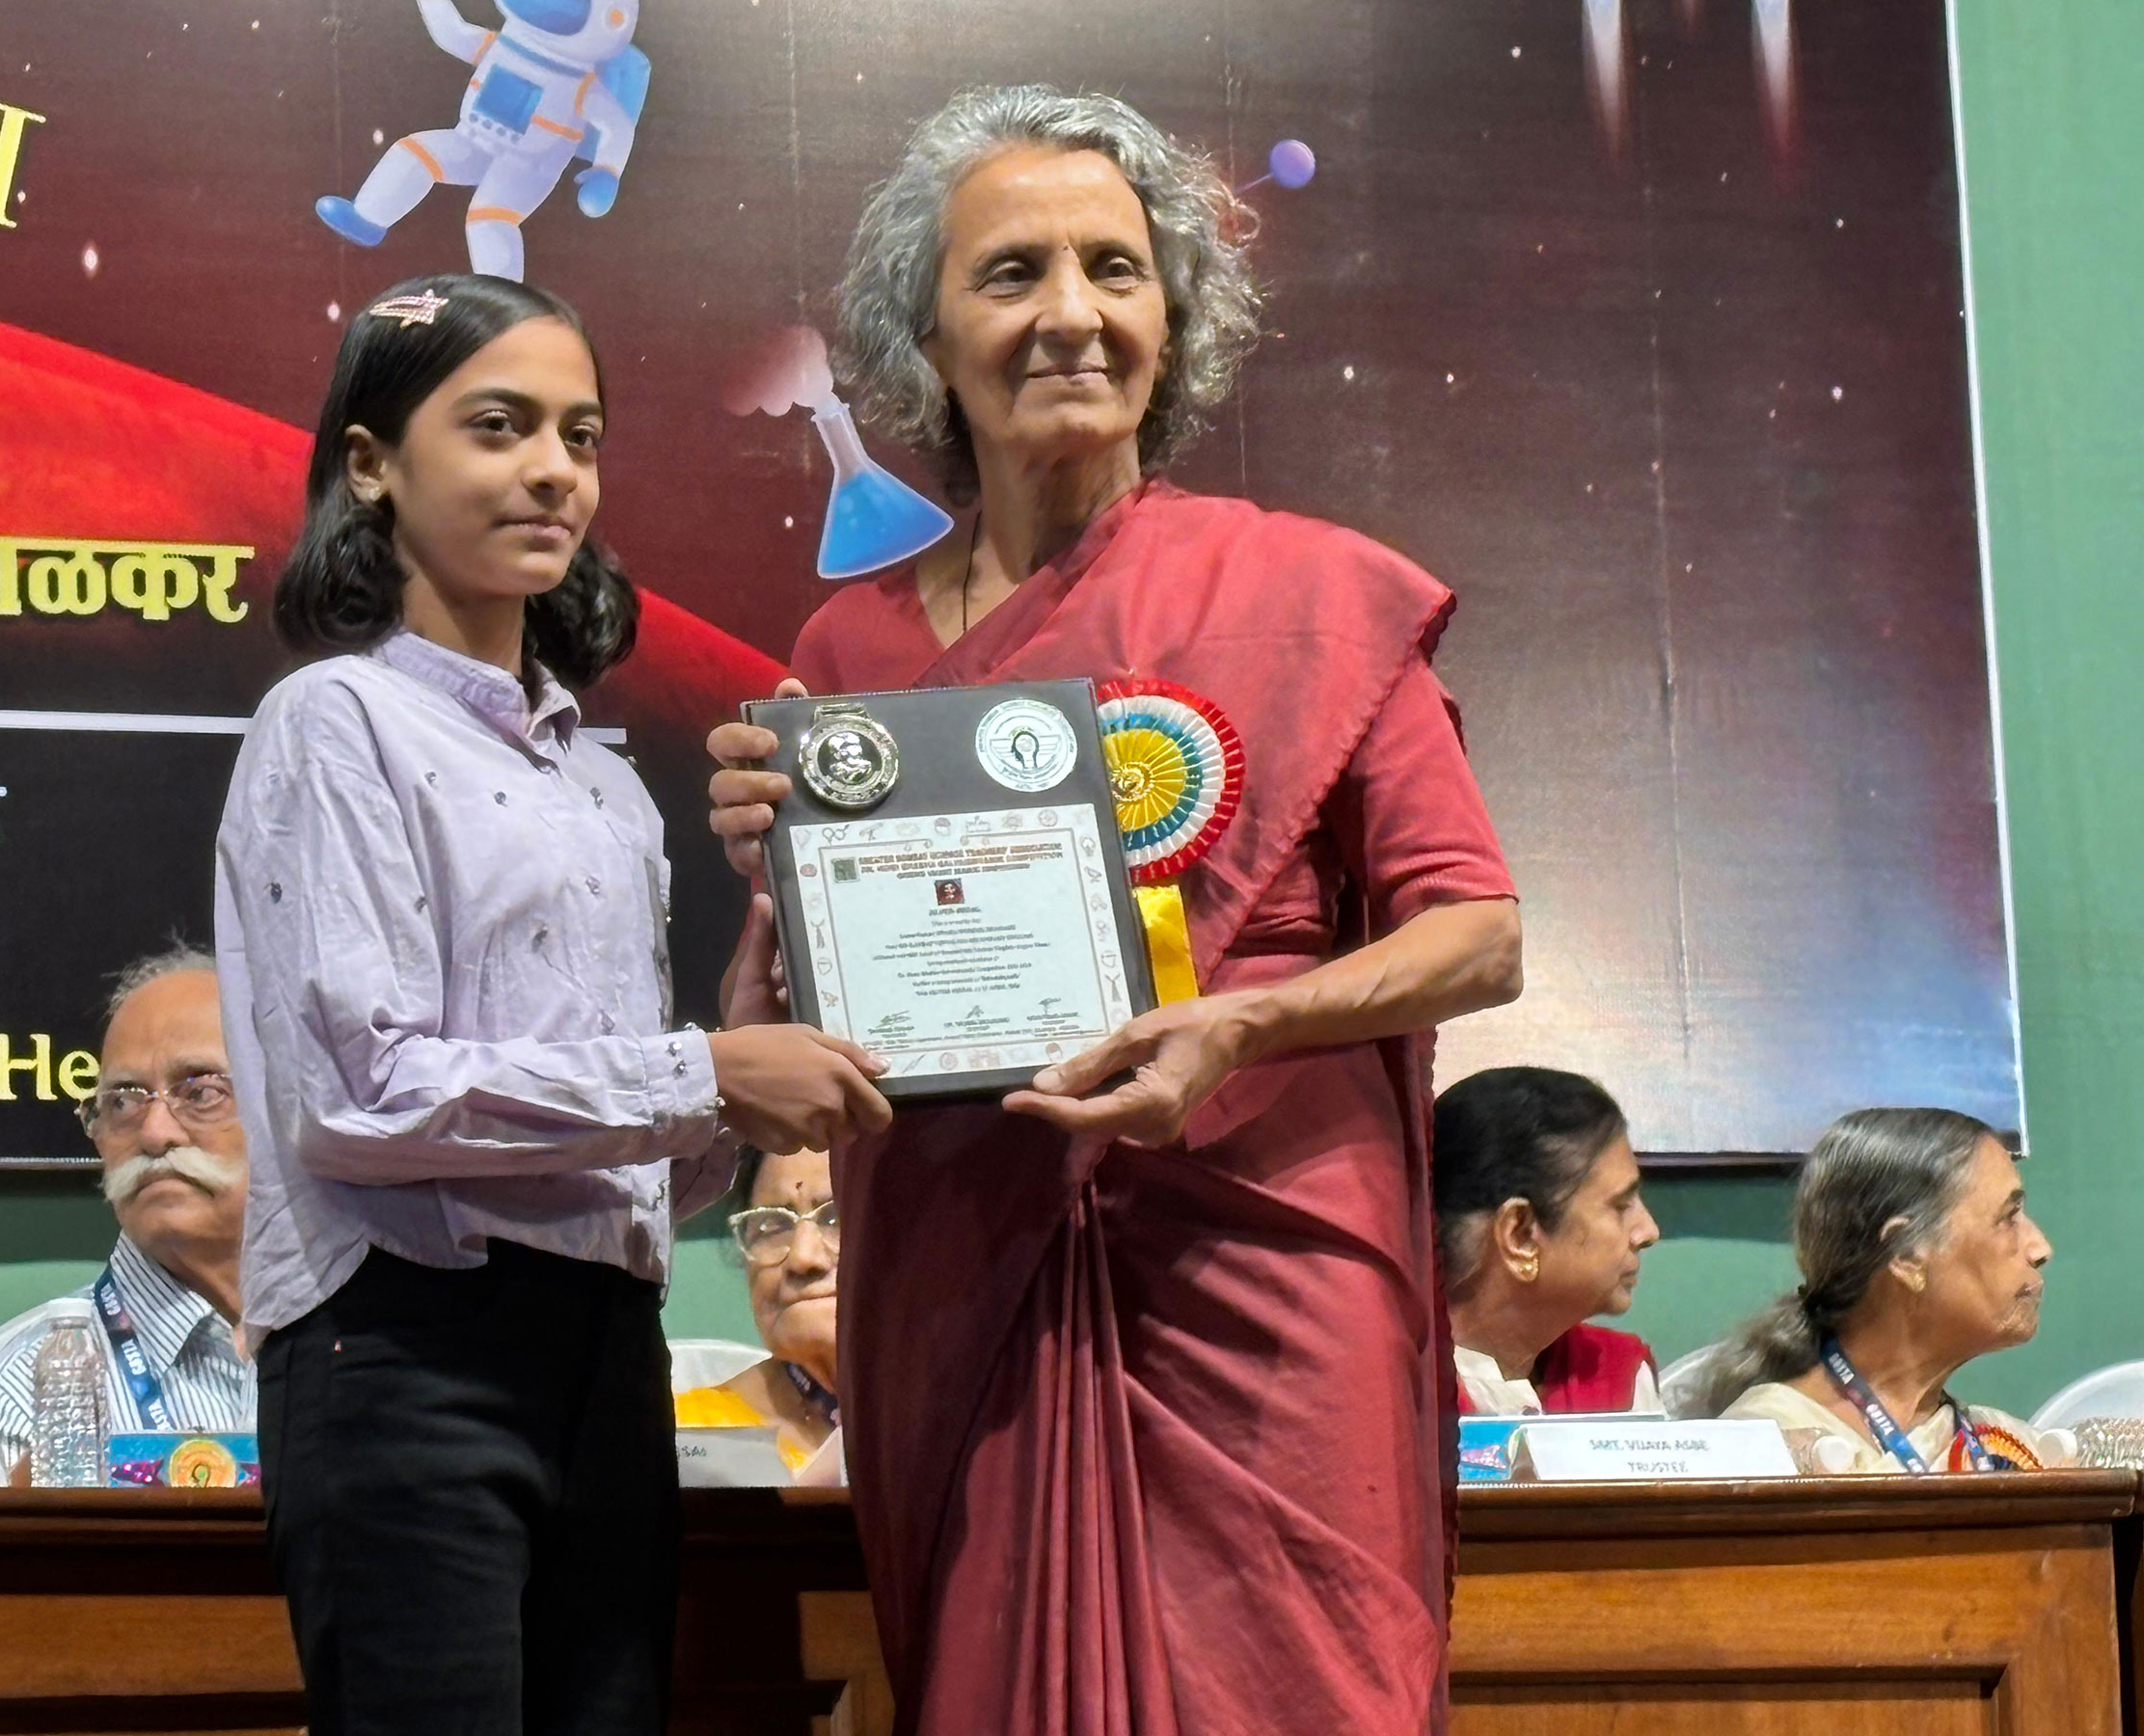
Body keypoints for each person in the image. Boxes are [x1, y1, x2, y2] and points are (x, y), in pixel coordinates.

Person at [707, 89, 1523, 1736]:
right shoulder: (850, 651)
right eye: (1013, 273)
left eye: (1116, 269)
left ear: (1175, 320)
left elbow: (1480, 933)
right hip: (965, 1266)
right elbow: (777, 1033)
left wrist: (1243, 1023)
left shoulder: (1312, 592)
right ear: (927, 338)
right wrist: (771, 875)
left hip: (1265, 1260)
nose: (1072, 313)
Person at [215, 274, 891, 1736]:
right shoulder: (334, 720)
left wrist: (737, 1048)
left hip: (610, 1356)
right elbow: (361, 1098)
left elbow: (650, 1168)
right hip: (405, 1358)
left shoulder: (601, 781)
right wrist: (705, 1072)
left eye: (580, 436)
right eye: (498, 427)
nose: (553, 472)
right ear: (371, 463)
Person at [0, 945, 256, 1472]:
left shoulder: (378, 1350)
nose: (155, 1133)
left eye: (200, 1092)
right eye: (123, 1102)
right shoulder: (19, 1401)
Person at [1688, 1107, 2053, 1473]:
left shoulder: (2009, 1448)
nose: (2040, 1248)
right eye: (2008, 1218)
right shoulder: (1762, 1453)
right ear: (1907, 1255)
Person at [1434, 1067, 1662, 1416]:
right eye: (1620, 1206)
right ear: (1520, 1236)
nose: (1648, 1232)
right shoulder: (1397, 1392)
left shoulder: (1620, 1381)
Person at [705, 1147, 842, 1472]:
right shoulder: (695, 1440)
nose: (802, 1258)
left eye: (838, 1219)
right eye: (772, 1227)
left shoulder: (961, 1416)